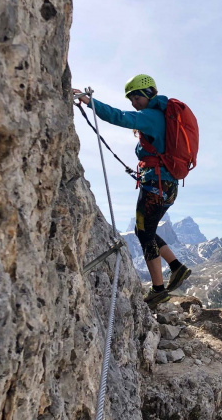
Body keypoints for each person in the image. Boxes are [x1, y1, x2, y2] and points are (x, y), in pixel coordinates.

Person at [73, 74, 192, 307]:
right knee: (144, 229)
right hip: (167, 186)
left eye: (136, 97)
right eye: (131, 99)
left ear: (147, 94)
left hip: (155, 185)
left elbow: (120, 117)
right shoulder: (163, 118)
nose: (133, 103)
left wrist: (90, 102)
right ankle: (177, 267)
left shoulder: (151, 116)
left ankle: (158, 289)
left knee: (144, 233)